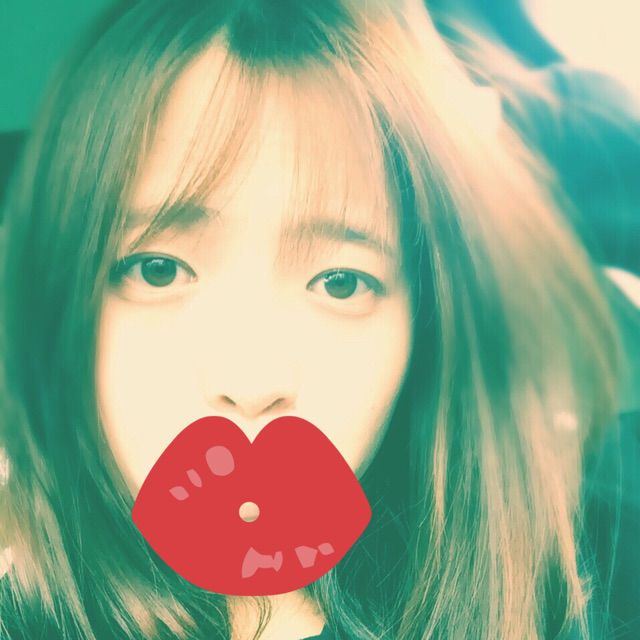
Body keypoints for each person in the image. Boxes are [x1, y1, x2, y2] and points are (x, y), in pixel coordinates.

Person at [0, 0, 638, 638]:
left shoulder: (580, 575)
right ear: (57, 307)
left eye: (340, 282)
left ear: (423, 332)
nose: (250, 382)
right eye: (159, 270)